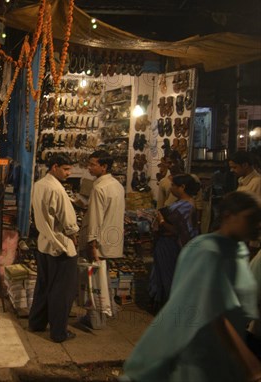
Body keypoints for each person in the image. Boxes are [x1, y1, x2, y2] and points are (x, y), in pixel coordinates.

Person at [121, 191, 261, 382]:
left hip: (225, 356)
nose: (256, 225)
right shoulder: (207, 251)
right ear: (229, 216)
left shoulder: (238, 250)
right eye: (250, 219)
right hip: (201, 353)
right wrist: (246, 360)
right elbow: (215, 314)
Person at [29, 153, 79, 343]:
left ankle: (36, 323)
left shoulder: (40, 184)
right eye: (66, 169)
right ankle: (59, 332)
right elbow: (68, 221)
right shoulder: (56, 189)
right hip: (60, 245)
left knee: (43, 285)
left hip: (44, 243)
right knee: (62, 291)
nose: (69, 173)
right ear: (55, 167)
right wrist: (74, 236)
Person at [79, 150, 125, 327]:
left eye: (93, 164)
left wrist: (92, 244)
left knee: (93, 283)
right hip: (111, 239)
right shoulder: (117, 185)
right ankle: (108, 311)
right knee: (103, 279)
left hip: (97, 242)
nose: (89, 167)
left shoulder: (99, 188)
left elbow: (96, 219)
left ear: (104, 167)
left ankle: (96, 319)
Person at [149, 174, 200, 307]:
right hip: (168, 244)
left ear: (182, 187)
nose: (171, 188)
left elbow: (179, 230)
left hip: (171, 245)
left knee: (169, 276)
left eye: (173, 185)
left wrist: (161, 221)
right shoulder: (183, 203)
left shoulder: (186, 206)